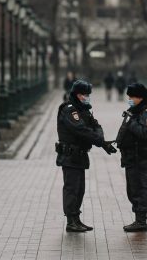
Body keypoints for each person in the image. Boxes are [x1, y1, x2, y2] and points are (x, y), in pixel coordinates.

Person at [56, 80, 116, 232]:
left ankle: (76, 218)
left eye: (88, 94)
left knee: (80, 189)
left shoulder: (84, 110)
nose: (87, 97)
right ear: (77, 94)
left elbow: (96, 126)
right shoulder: (69, 110)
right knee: (71, 189)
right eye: (84, 94)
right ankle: (70, 222)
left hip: (80, 156)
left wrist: (101, 141)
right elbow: (81, 130)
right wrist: (101, 141)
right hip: (70, 156)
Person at [115, 83, 147, 232]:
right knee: (133, 188)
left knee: (139, 188)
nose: (129, 99)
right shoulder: (135, 111)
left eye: (132, 96)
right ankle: (138, 219)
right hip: (131, 157)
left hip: (139, 157)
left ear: (140, 97)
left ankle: (141, 221)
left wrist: (132, 123)